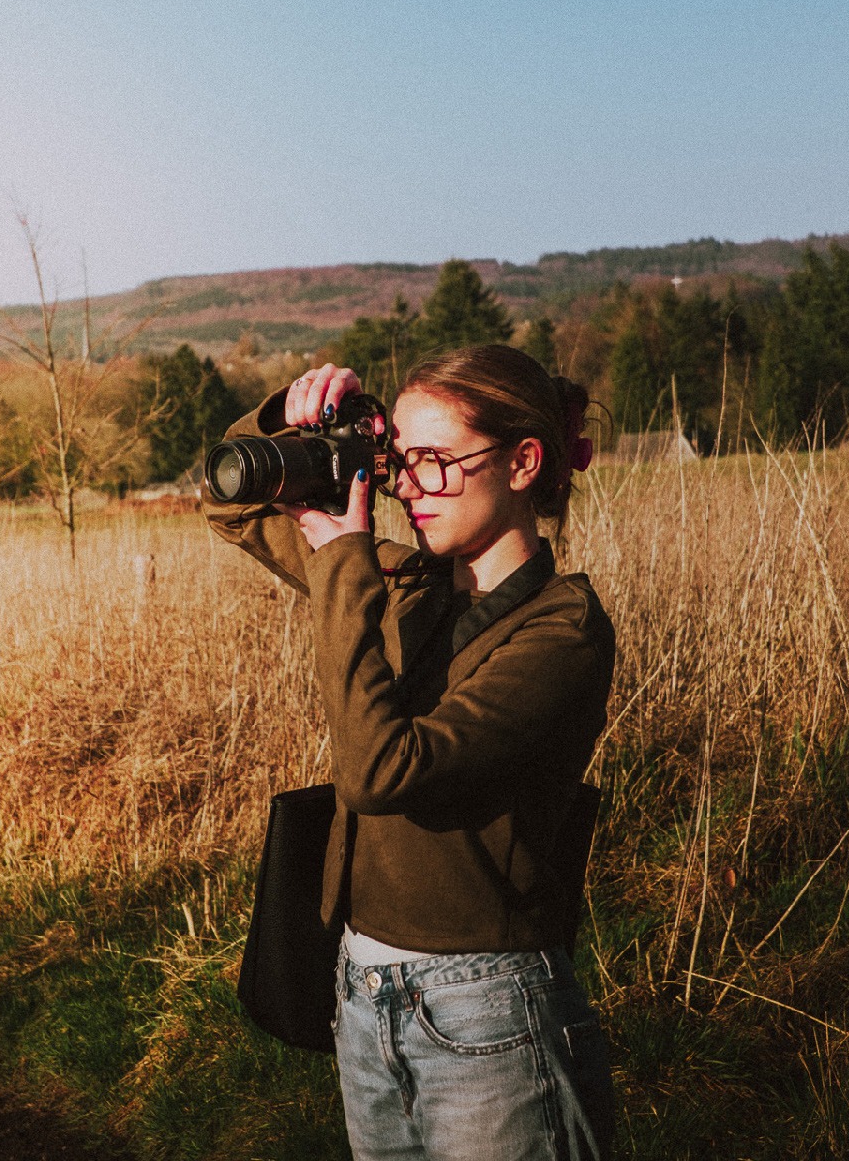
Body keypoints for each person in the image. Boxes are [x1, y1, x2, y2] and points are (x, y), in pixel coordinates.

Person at [205, 344, 616, 1160]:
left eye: (435, 461)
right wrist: (287, 416)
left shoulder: (562, 631)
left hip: (488, 1013)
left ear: (524, 462)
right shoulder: (409, 584)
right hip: (362, 991)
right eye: (400, 460)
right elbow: (229, 508)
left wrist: (346, 567)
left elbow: (379, 772)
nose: (406, 485)